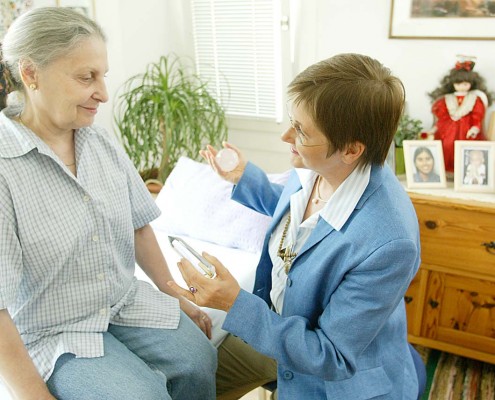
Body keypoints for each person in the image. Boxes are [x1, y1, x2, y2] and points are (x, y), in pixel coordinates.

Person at [169, 53, 426, 399]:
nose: (285, 136)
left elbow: (330, 355)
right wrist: (246, 180)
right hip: (281, 332)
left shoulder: (390, 242)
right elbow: (295, 212)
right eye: (292, 121)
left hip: (332, 381)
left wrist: (235, 304)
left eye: (301, 131)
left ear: (350, 149)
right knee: (189, 382)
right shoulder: (321, 166)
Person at [0, 7, 216, 400]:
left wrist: (173, 295)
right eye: (87, 77)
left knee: (198, 360)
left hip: (123, 302)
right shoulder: (4, 166)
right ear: (30, 74)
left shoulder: (99, 142)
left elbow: (139, 225)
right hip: (54, 331)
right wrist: (34, 394)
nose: (102, 92)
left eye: (102, 75)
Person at [427, 58, 492, 173]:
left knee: (467, 149)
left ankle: (465, 172)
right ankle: (448, 171)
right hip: (449, 130)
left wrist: (475, 127)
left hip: (466, 131)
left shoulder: (475, 98)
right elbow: (442, 118)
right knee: (447, 146)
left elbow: (477, 115)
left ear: (471, 84)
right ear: (452, 84)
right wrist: (435, 128)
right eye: (458, 84)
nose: (462, 87)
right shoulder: (447, 99)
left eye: (465, 84)